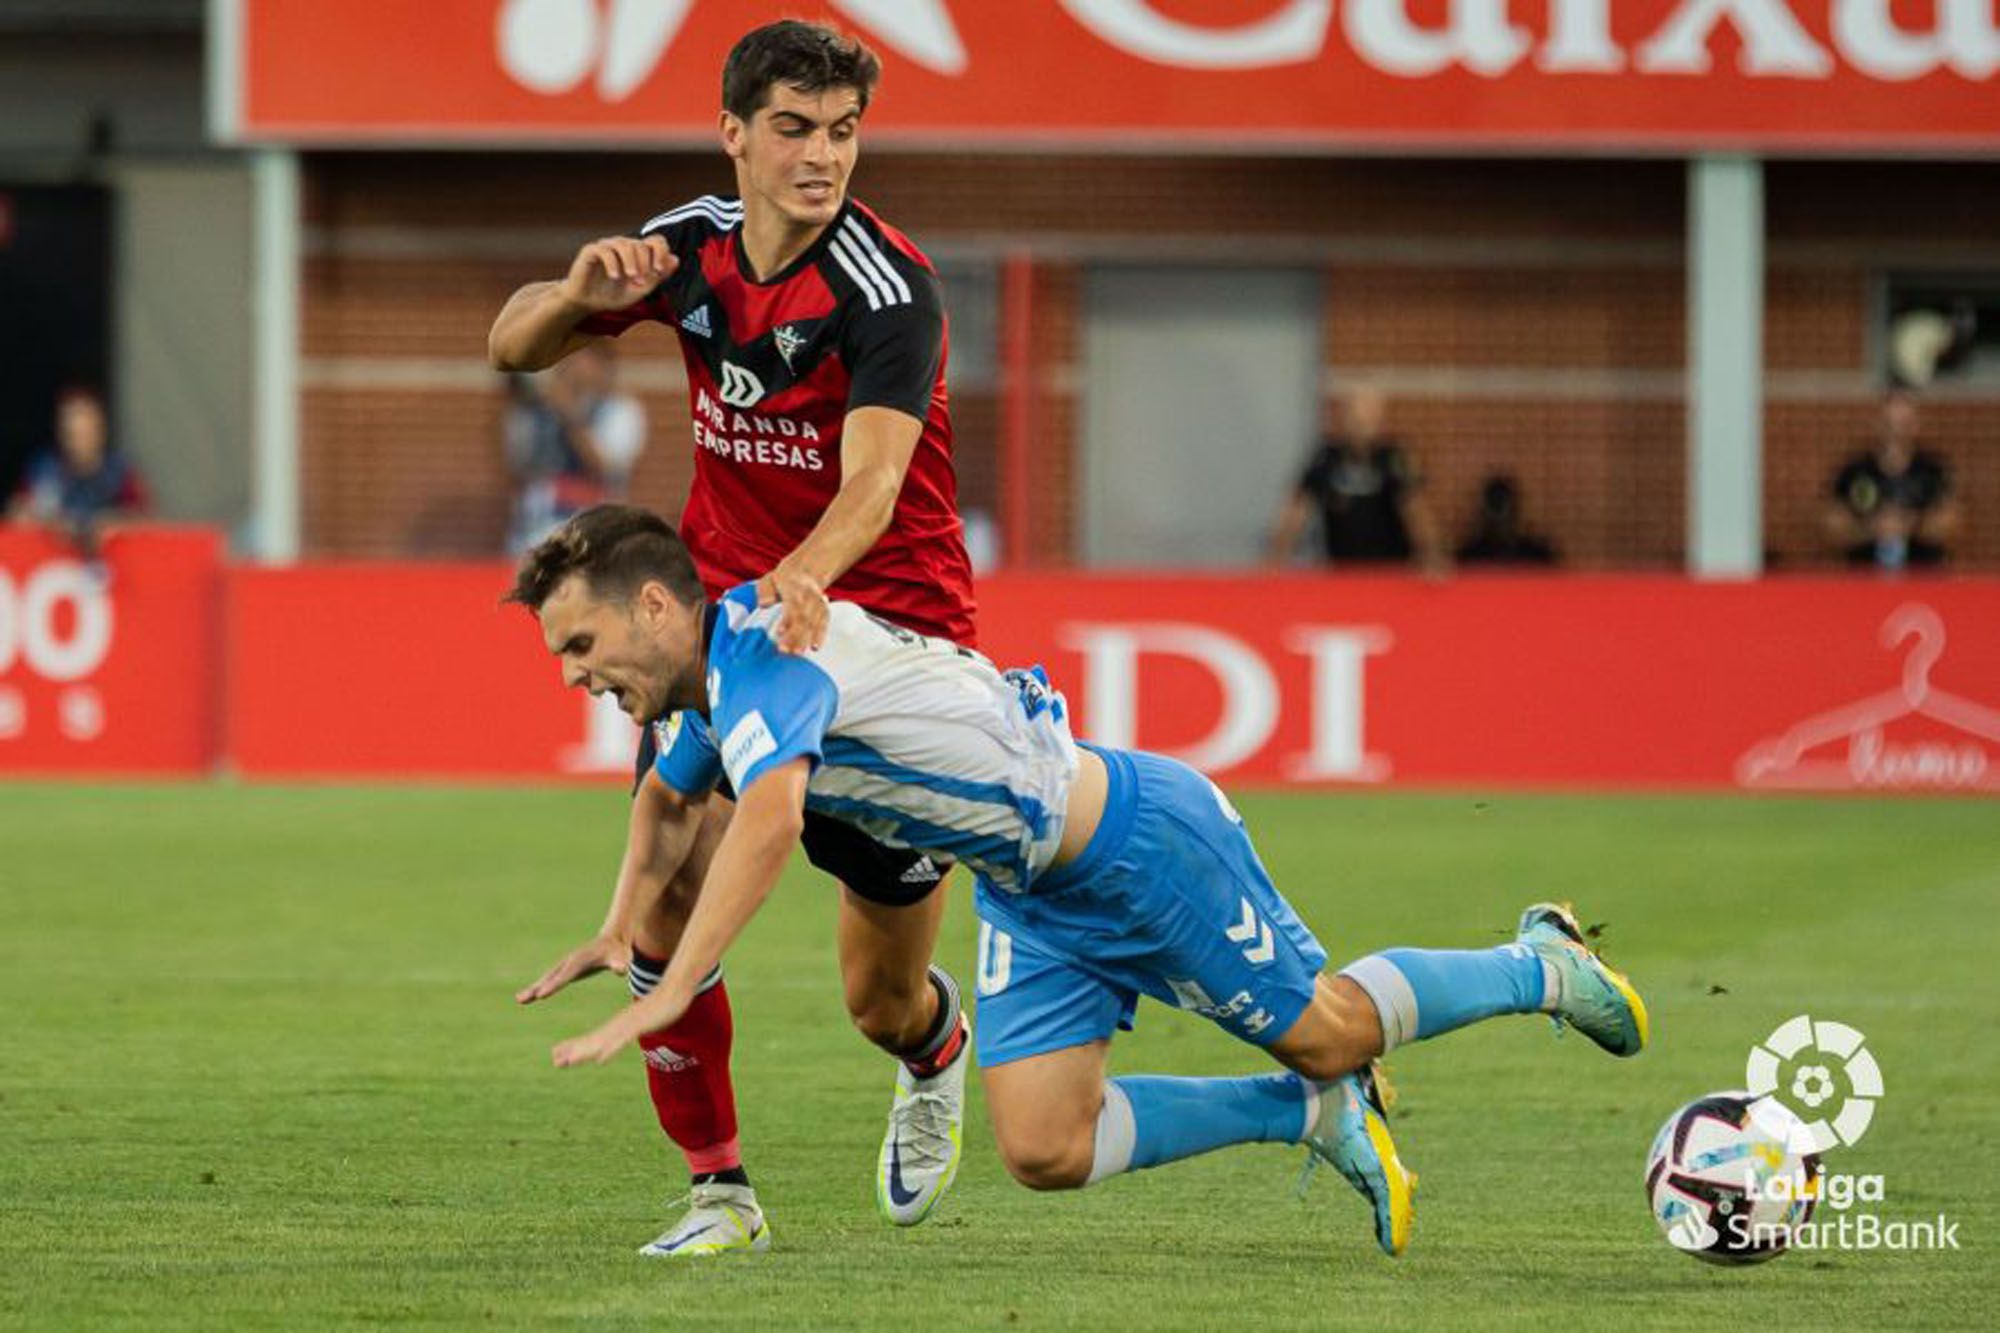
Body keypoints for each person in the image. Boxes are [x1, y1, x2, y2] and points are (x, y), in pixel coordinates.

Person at [513, 505, 1651, 1258]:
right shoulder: (719, 683)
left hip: (1137, 846)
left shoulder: (768, 658)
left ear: (655, 606)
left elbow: (768, 817)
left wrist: (680, 986)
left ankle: (1537, 963)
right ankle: (1303, 1117)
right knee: (1046, 1150)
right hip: (1030, 890)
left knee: (1335, 1030)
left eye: (581, 646)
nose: (577, 676)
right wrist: (623, 931)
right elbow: (671, 799)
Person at [493, 20, 977, 1257]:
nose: (822, 157)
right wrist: (572, 297)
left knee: (877, 999)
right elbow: (511, 347)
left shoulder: (887, 288)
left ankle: (934, 1052)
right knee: (658, 903)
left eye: (843, 132)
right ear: (735, 134)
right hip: (718, 630)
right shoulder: (691, 247)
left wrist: (802, 580)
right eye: (794, 129)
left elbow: (872, 485)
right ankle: (721, 1194)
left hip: (883, 631)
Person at [1270, 387, 1448, 574]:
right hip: (1342, 571)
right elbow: (1296, 512)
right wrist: (1275, 560)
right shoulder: (1326, 458)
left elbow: (1416, 510)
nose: (1362, 427)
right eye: (1356, 419)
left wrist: (1432, 555)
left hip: (1391, 572)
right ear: (1345, 418)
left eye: (1369, 420)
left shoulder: (1393, 458)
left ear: (1379, 421)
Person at [502, 343, 645, 554]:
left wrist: (567, 411)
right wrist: (524, 401)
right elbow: (516, 466)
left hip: (592, 532)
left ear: (602, 366)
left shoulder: (621, 411)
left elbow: (603, 467)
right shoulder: (539, 412)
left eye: (581, 359)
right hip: (535, 529)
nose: (571, 366)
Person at [8, 386, 147, 561]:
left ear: (99, 431)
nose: (76, 442)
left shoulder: (120, 472)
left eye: (84, 433)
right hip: (53, 566)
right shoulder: (44, 471)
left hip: (111, 570)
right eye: (71, 434)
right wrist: (48, 524)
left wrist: (113, 525)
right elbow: (17, 515)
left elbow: (144, 520)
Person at [1824, 391, 1959, 570]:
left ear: (1916, 426)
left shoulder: (1932, 470)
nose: (1896, 432)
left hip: (1923, 577)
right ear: (1877, 425)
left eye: (1904, 424)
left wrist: (1909, 525)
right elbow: (1831, 528)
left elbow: (1951, 524)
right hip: (1864, 578)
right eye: (1889, 424)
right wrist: (1872, 529)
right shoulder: (1855, 471)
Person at [1455, 475, 1559, 566]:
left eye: (1503, 507)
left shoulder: (1537, 555)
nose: (1500, 517)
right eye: (1495, 508)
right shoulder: (1470, 556)